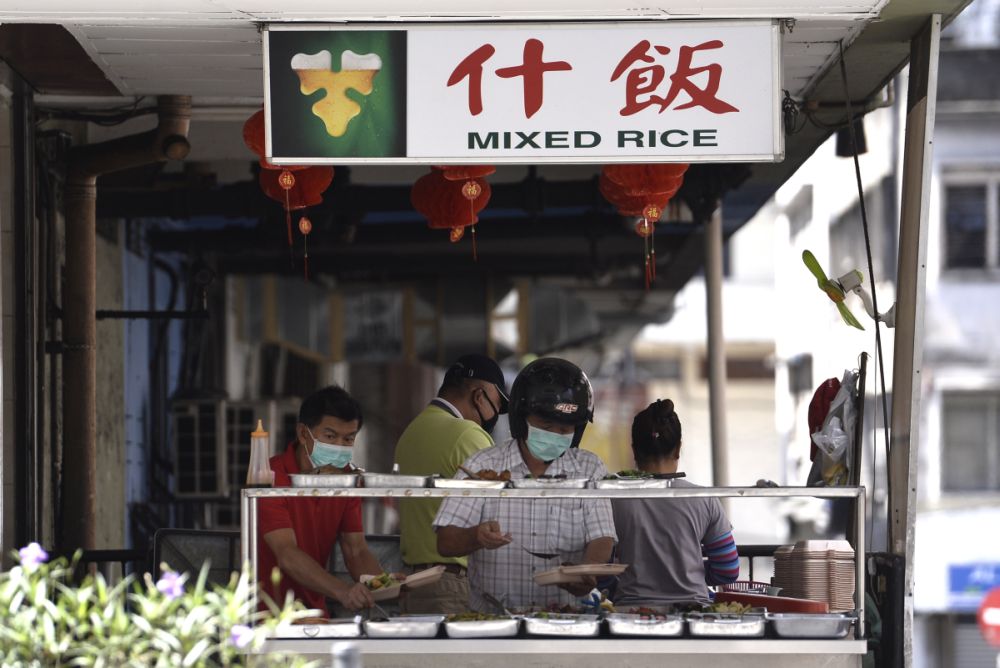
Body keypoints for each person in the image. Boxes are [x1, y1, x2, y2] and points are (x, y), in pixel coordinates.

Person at [434, 357, 616, 612]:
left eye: (566, 429)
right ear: (521, 419)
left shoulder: (589, 468)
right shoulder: (482, 464)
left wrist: (587, 573)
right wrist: (476, 536)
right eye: (546, 425)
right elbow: (446, 542)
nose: (556, 435)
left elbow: (602, 536)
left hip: (566, 623)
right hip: (495, 625)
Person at [258, 385, 394, 615]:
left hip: (314, 614)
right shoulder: (269, 476)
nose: (339, 446)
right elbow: (287, 554)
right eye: (330, 436)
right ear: (303, 434)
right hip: (267, 614)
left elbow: (356, 551)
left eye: (348, 439)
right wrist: (342, 591)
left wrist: (386, 585)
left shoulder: (347, 480)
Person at [394, 353, 509, 614]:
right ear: (479, 397)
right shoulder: (467, 433)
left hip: (413, 584)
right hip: (450, 583)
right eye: (496, 406)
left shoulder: (411, 431)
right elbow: (501, 508)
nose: (494, 416)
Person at [612, 399, 739, 606]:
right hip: (694, 614)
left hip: (630, 615)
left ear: (634, 451)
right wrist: (688, 573)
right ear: (678, 448)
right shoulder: (703, 499)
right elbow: (728, 570)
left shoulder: (612, 499)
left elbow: (600, 566)